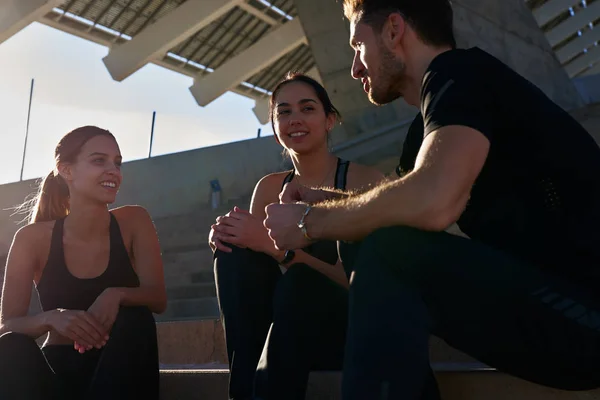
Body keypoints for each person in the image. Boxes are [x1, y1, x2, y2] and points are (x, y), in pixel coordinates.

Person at [263, 1, 600, 399]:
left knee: (388, 249)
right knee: (361, 242)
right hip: (548, 312)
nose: (354, 68)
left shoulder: (461, 75)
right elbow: (396, 204)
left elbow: (434, 200)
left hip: (585, 315)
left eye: (357, 46)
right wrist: (325, 201)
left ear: (393, 30)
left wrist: (308, 221)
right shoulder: (424, 126)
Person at [209, 72, 383, 400]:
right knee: (233, 252)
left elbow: (367, 285)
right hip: (284, 333)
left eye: (307, 108)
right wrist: (228, 233)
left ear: (330, 120)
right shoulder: (269, 187)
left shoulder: (364, 180)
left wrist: (285, 254)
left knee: (302, 281)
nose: (295, 119)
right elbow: (258, 277)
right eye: (284, 112)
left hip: (344, 328)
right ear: (275, 130)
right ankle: (243, 391)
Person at [0, 126, 167, 400]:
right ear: (66, 170)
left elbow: (158, 299)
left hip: (122, 365)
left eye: (117, 162)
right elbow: (8, 325)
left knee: (135, 317)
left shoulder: (135, 221)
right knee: (11, 346)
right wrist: (52, 318)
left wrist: (117, 294)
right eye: (99, 160)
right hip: (58, 368)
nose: (113, 170)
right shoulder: (32, 238)